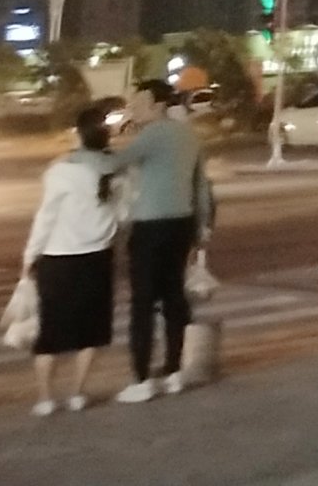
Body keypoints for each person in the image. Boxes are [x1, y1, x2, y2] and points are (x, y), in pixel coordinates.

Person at [108, 79, 213, 402]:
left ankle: (141, 378)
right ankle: (173, 371)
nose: (133, 109)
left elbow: (113, 164)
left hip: (150, 227)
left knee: (142, 303)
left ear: (158, 105)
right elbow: (201, 187)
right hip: (182, 225)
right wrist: (202, 229)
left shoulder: (151, 135)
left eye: (139, 103)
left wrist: (78, 157)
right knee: (174, 298)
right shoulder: (189, 135)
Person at [22, 104, 121, 415]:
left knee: (51, 331)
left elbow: (46, 217)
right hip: (98, 257)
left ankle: (45, 397)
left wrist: (30, 255)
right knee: (92, 329)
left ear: (78, 135)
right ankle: (77, 393)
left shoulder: (60, 172)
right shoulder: (116, 170)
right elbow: (124, 214)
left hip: (58, 259)